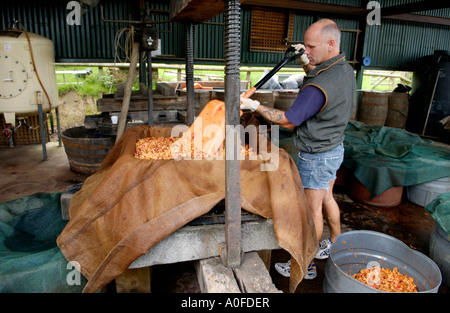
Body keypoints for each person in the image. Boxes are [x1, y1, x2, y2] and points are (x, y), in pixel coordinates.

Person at [240, 19, 356, 280]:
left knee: (311, 210)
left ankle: (307, 264)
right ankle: (337, 243)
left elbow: (289, 120)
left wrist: (254, 107)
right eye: (305, 47)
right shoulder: (342, 69)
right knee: (327, 197)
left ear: (330, 43)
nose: (308, 51)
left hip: (317, 155)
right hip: (334, 148)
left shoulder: (318, 88)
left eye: (311, 47)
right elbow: (316, 71)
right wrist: (305, 60)